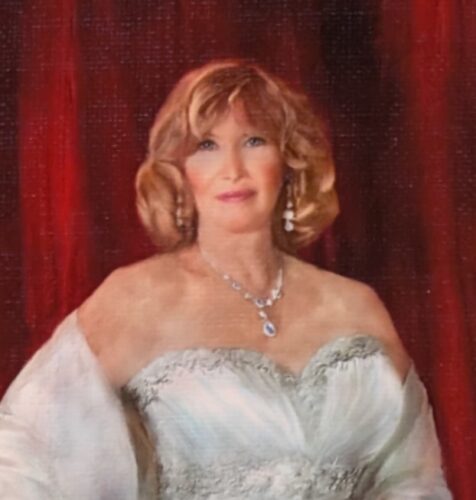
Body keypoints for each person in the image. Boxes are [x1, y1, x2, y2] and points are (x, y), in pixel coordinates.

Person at [0, 60, 452, 499]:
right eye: (206, 146)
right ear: (179, 172)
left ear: (288, 160)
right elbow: (20, 462)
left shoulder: (356, 305)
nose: (233, 169)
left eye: (254, 141)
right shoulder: (134, 298)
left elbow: (414, 478)